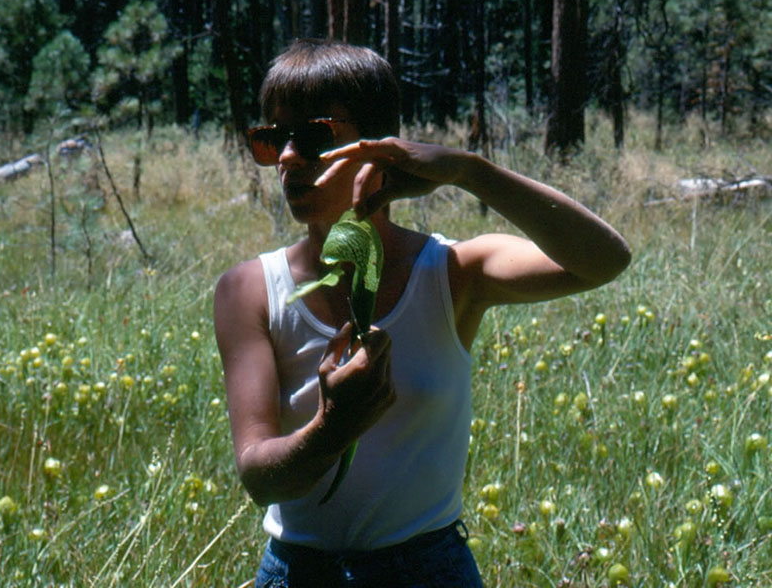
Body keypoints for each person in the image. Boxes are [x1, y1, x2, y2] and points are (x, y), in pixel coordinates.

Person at [213, 38, 631, 588]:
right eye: (272, 139)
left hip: (429, 570)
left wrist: (468, 170)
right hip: (298, 571)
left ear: (378, 147)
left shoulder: (453, 271)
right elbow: (259, 478)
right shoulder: (248, 290)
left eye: (313, 136)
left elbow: (604, 259)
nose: (288, 157)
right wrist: (333, 428)